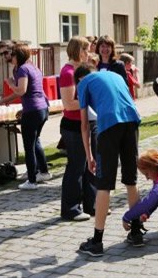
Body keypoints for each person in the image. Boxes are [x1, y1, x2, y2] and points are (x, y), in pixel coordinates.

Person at [75, 63, 143, 256]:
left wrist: (89, 156)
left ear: (80, 78)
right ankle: (136, 232)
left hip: (109, 126)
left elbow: (84, 125)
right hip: (132, 121)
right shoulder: (115, 75)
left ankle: (97, 242)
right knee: (131, 180)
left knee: (104, 184)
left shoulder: (83, 83)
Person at [0, 42, 51, 190]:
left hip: (33, 110)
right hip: (41, 108)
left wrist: (10, 84)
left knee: (29, 146)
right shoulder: (32, 67)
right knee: (35, 141)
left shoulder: (22, 69)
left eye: (9, 54)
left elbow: (21, 91)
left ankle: (31, 180)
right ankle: (43, 172)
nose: (7, 57)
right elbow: (33, 91)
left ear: (17, 55)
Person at [59, 37, 96, 221]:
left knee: (90, 165)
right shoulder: (67, 72)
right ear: (78, 50)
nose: (88, 54)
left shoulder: (81, 70)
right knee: (76, 166)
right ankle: (71, 209)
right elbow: (68, 103)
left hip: (86, 122)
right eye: (86, 50)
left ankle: (92, 205)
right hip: (73, 126)